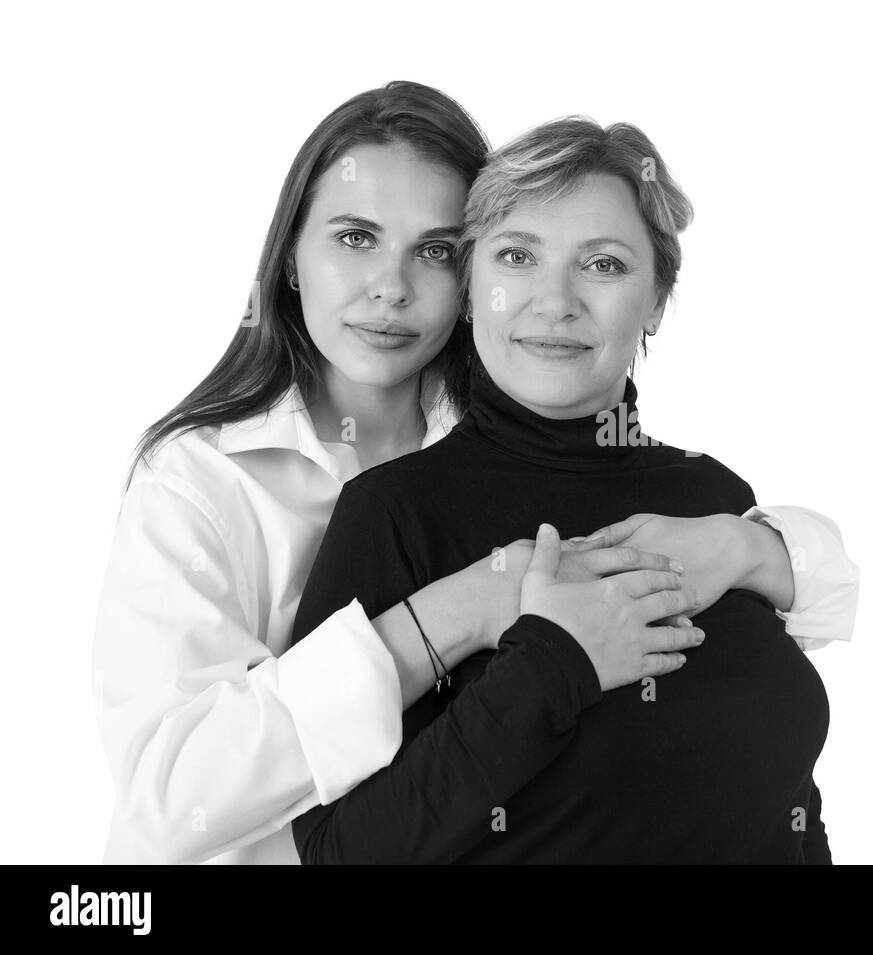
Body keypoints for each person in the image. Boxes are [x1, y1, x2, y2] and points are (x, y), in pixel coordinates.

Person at [92, 84, 859, 865]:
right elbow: (179, 798)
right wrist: (472, 612)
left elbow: (781, 734)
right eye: (355, 236)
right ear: (290, 252)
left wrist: (746, 547)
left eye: (433, 249)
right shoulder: (206, 485)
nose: (391, 286)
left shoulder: (585, 450)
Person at [289, 116, 844, 864]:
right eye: (517, 256)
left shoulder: (714, 494)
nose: (555, 301)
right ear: (470, 287)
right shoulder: (394, 512)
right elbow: (339, 853)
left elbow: (782, 792)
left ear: (655, 299)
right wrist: (555, 665)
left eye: (604, 265)